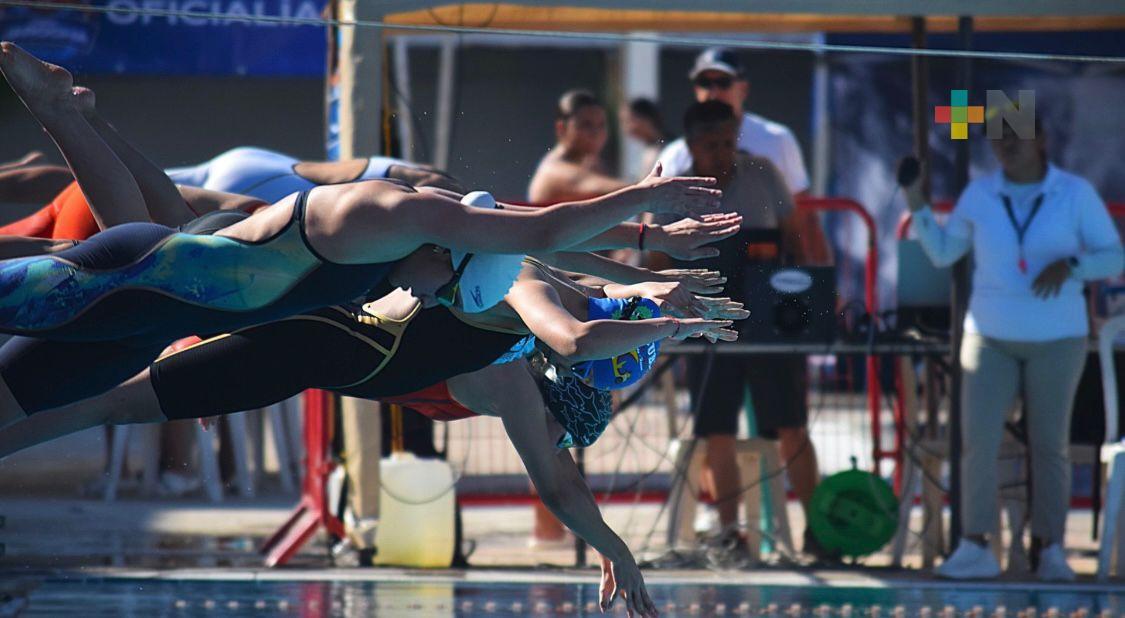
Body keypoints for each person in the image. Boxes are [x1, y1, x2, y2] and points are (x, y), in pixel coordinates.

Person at [0, 42, 722, 432]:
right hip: (152, 281)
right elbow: (546, 240)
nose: (430, 295)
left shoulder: (398, 248)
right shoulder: (395, 218)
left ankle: (73, 114)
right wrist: (648, 210)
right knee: (140, 257)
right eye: (447, 287)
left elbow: (542, 245)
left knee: (32, 390)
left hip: (166, 288)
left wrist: (643, 262)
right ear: (454, 247)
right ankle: (58, 111)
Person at [903, 114, 1124, 581]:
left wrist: (1072, 265)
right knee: (977, 441)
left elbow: (1114, 254)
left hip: (1057, 338)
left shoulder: (1074, 192)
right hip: (989, 334)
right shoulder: (979, 194)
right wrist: (917, 203)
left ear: (1042, 138)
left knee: (1050, 446)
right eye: (997, 135)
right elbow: (944, 253)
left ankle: (1050, 549)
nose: (1005, 144)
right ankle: (975, 545)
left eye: (1016, 133)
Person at [675, 100, 834, 560]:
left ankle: (818, 532)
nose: (722, 152)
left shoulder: (764, 173)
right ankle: (731, 537)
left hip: (771, 325)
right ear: (691, 146)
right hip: (709, 325)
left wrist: (804, 293)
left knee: (792, 425)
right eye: (711, 145)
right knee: (717, 430)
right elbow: (658, 263)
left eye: (728, 141)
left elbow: (796, 236)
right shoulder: (674, 193)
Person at [620, 98, 667, 182]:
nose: (625, 128)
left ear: (645, 119)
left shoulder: (667, 149)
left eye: (627, 121)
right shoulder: (648, 148)